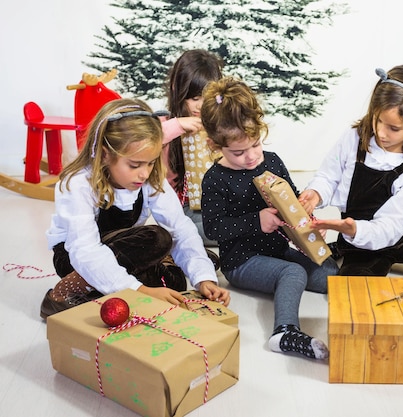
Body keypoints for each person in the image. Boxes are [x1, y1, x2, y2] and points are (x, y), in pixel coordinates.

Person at [40, 98, 230, 320]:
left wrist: (203, 277)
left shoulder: (150, 179)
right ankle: (63, 294)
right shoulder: (78, 184)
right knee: (157, 239)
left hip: (123, 253)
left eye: (150, 163)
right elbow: (85, 250)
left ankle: (100, 292)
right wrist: (140, 292)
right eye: (134, 165)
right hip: (74, 257)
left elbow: (180, 227)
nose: (144, 173)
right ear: (105, 154)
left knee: (174, 283)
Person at [200, 77, 339, 360]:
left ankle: (294, 277)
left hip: (277, 250)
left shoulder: (272, 160)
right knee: (293, 273)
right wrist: (256, 221)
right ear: (215, 145)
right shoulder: (215, 179)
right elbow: (214, 228)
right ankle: (284, 332)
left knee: (329, 274)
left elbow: (293, 199)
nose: (251, 157)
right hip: (241, 261)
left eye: (255, 145)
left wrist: (309, 223)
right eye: (238, 152)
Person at [298, 65, 403, 277]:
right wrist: (316, 194)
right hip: (359, 243)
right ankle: (344, 249)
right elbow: (328, 176)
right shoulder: (354, 138)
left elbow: (392, 224)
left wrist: (356, 229)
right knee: (353, 292)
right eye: (378, 120)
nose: (381, 133)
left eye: (394, 128)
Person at [161, 49, 223, 266]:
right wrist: (178, 125)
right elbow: (145, 140)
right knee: (185, 229)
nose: (200, 106)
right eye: (195, 98)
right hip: (185, 209)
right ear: (177, 91)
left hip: (219, 203)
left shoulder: (218, 122)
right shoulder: (166, 124)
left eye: (207, 98)